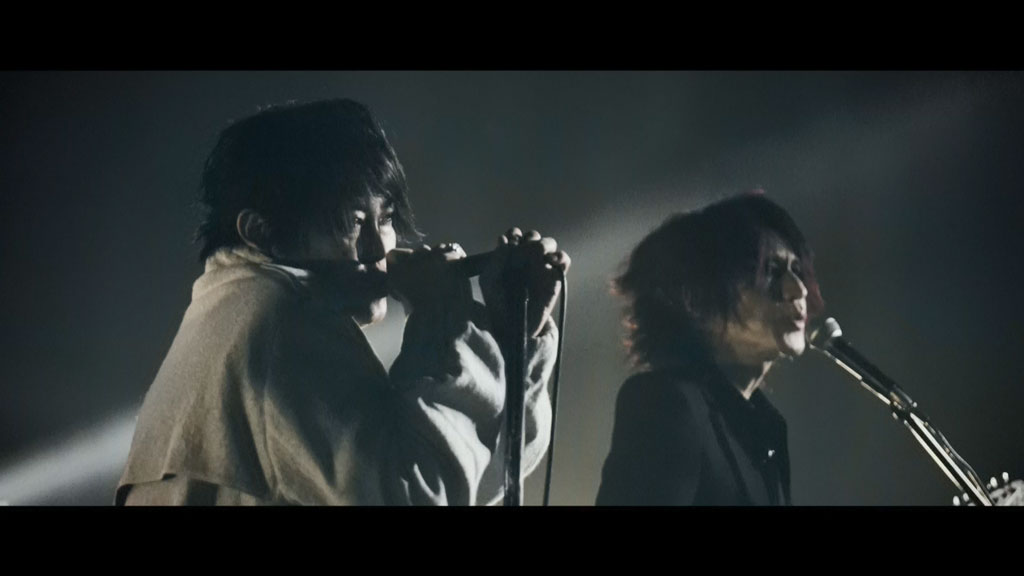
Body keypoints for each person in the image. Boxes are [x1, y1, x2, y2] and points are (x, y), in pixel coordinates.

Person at [115, 98, 570, 505]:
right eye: (350, 223)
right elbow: (415, 496)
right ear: (261, 232)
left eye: (384, 219)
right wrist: (440, 319)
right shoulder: (277, 321)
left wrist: (515, 339)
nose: (377, 249)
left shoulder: (235, 311)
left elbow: (472, 479)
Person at [596, 192, 823, 505]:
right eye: (770, 271)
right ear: (697, 298)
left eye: (796, 270)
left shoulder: (768, 427)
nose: (797, 290)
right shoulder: (668, 404)